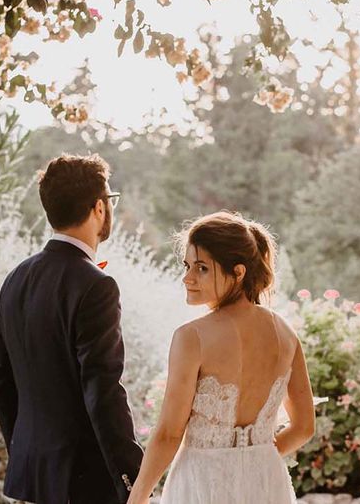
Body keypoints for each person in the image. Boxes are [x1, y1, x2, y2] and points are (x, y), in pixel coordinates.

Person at [127, 210, 315, 504]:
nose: (187, 278)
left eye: (201, 268)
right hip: (266, 480)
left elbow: (168, 433)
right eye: (187, 265)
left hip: (203, 481)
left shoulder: (192, 337)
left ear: (238, 272)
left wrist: (137, 497)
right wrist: (256, 455)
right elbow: (304, 427)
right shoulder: (286, 333)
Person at [0, 153, 143, 504]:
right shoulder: (96, 285)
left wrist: (27, 457)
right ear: (99, 208)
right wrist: (133, 478)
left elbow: (2, 384)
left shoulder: (16, 279)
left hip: (32, 478)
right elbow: (102, 390)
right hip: (83, 483)